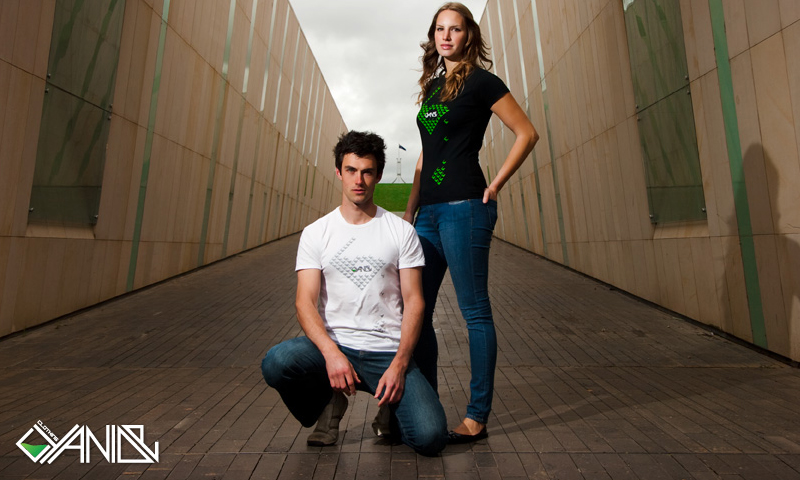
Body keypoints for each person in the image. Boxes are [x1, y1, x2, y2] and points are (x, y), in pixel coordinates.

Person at [261, 131, 448, 456]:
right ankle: (327, 403)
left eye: (367, 172)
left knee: (431, 437)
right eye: (351, 170)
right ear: (339, 172)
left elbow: (415, 301)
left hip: (386, 351)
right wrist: (331, 355)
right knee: (278, 361)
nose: (358, 180)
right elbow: (304, 302)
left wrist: (400, 364)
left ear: (378, 175)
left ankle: (389, 408)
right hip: (334, 347)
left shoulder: (401, 232)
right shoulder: (317, 233)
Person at [403, 2, 539, 443]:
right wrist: (411, 209)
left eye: (455, 29)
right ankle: (424, 406)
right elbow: (425, 156)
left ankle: (477, 417)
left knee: (474, 312)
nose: (446, 36)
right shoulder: (433, 87)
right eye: (440, 29)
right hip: (429, 214)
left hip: (465, 206)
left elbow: (527, 133)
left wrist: (495, 184)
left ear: (468, 36)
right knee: (416, 310)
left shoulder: (482, 82)